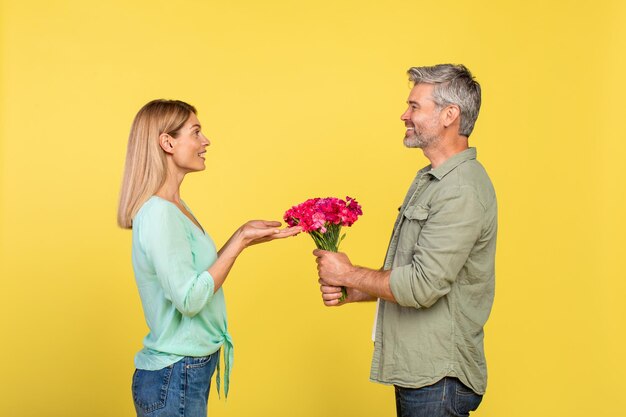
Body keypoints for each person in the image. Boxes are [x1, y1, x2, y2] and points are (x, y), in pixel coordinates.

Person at [314, 64, 497, 417]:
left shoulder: (460, 190)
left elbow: (423, 286)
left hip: (439, 378)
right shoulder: (432, 180)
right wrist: (357, 290)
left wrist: (349, 274)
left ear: (449, 115)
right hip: (422, 373)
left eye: (415, 106)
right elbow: (413, 273)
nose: (404, 114)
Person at [117, 99, 300, 417]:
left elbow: (193, 276)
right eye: (196, 132)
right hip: (174, 375)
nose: (206, 141)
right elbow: (189, 299)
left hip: (184, 372)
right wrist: (240, 240)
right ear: (167, 142)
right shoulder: (160, 213)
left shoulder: (175, 207)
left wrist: (243, 238)